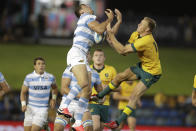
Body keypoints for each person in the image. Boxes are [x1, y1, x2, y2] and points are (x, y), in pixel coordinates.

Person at [95, 12, 162, 129]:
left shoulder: (146, 41)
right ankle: (100, 96)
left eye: (141, 24)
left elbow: (123, 50)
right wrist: (111, 40)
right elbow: (122, 51)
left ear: (147, 30)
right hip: (143, 66)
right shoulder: (136, 34)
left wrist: (111, 35)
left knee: (133, 97)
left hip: (152, 73)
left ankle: (117, 122)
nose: (138, 24)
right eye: (140, 23)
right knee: (119, 77)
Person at [60, 4, 114, 130]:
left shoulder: (89, 24)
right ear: (81, 11)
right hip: (77, 53)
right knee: (84, 83)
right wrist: (110, 19)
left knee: (87, 90)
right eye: (86, 6)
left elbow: (105, 33)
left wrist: (118, 22)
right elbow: (101, 29)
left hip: (83, 55)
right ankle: (65, 107)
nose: (90, 7)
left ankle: (78, 122)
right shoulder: (86, 17)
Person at [54, 52, 103, 131]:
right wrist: (83, 96)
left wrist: (100, 98)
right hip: (68, 103)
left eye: (88, 54)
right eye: (83, 54)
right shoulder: (70, 69)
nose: (85, 56)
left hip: (83, 105)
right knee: (58, 128)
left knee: (88, 129)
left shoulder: (95, 74)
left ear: (90, 57)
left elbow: (101, 93)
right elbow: (64, 89)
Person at [20, 57, 58, 131]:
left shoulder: (50, 77)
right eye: (39, 64)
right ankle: (44, 126)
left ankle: (42, 124)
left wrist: (53, 98)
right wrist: (23, 104)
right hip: (30, 109)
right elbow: (23, 92)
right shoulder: (28, 77)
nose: (41, 66)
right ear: (35, 66)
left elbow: (55, 88)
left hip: (42, 109)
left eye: (43, 64)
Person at [89, 49, 117, 131]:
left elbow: (119, 88)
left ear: (104, 58)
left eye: (101, 55)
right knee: (96, 126)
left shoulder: (111, 70)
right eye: (96, 55)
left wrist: (108, 87)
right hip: (92, 102)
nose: (98, 57)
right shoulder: (88, 69)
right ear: (92, 58)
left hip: (105, 103)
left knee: (100, 128)